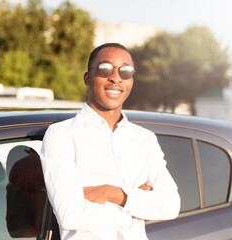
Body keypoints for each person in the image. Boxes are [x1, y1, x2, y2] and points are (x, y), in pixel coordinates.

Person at [40, 43, 180, 240]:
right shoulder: (62, 135)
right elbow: (70, 214)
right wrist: (138, 207)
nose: (116, 78)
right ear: (87, 78)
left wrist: (113, 194)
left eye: (126, 71)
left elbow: (171, 205)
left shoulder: (145, 139)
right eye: (105, 69)